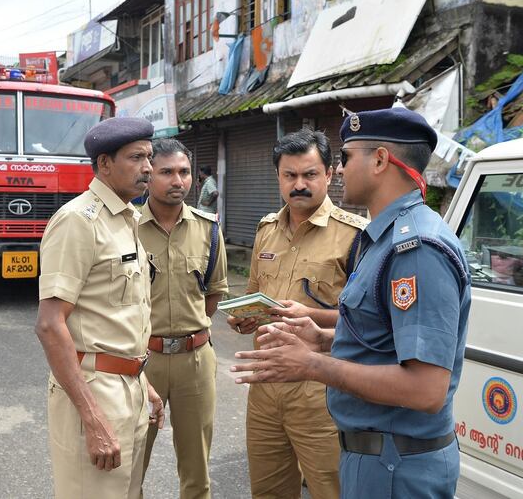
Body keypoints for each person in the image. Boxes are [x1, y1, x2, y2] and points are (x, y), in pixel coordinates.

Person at [231, 108, 472, 498]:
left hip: (395, 462)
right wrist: (324, 338)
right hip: (372, 452)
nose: (339, 170)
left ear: (379, 160)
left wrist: (312, 363)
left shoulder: (415, 248)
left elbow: (427, 389)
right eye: (289, 175)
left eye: (345, 158)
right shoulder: (386, 239)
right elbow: (380, 333)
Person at [227, 127, 367, 499]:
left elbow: (369, 321)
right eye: (290, 175)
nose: (299, 184)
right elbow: (256, 295)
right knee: (269, 490)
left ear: (330, 174)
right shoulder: (266, 230)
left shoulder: (356, 237)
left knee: (331, 488)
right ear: (278, 177)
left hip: (322, 390)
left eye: (310, 174)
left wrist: (312, 315)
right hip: (265, 384)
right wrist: (245, 317)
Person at [35, 117, 166, 499]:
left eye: (149, 157)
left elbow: (114, 319)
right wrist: (92, 419)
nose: (147, 168)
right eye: (136, 157)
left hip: (130, 387)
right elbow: (49, 324)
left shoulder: (127, 218)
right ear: (104, 163)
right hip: (95, 394)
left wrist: (143, 382)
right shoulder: (78, 221)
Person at [138, 138, 228, 499]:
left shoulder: (209, 229)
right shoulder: (127, 227)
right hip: (143, 363)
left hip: (196, 361)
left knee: (197, 471)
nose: (178, 181)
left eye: (184, 172)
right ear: (149, 175)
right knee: (131, 467)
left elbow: (214, 294)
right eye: (167, 172)